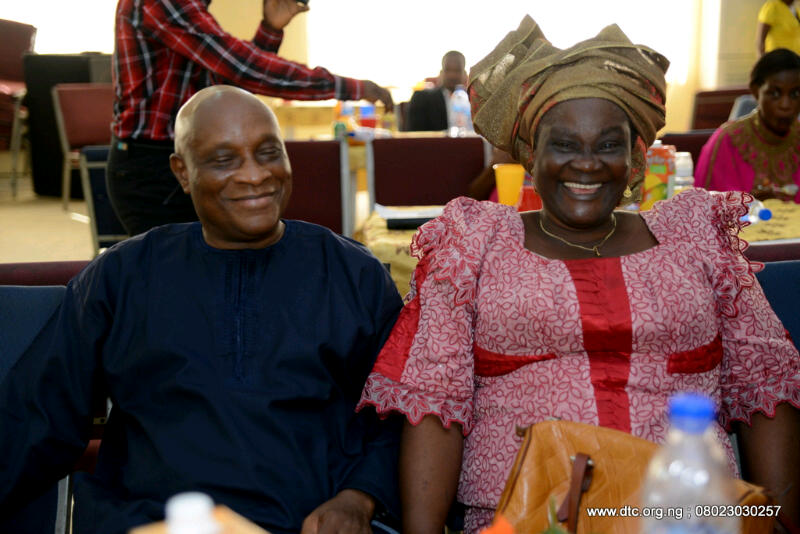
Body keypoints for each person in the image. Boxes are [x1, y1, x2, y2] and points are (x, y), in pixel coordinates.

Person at [357, 16, 800, 534]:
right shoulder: (475, 244)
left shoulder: (697, 237)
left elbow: (764, 389)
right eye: (564, 144)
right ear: (530, 153)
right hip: (524, 518)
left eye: (608, 145)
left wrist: (780, 524)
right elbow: (436, 405)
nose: (586, 165)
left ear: (634, 155)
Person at [0, 86, 403, 534]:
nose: (254, 175)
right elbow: (36, 417)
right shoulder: (121, 277)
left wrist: (359, 498)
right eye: (223, 160)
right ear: (183, 172)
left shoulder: (353, 275)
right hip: (152, 523)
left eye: (268, 152)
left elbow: (397, 416)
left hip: (304, 522)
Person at [109, 0, 394, 237]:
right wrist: (352, 88)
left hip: (181, 159)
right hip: (153, 168)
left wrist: (270, 30)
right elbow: (243, 68)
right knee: (174, 285)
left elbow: (223, 89)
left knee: (210, 276)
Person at [695, 48, 800, 203]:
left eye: (795, 94)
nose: (785, 105)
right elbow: (705, 209)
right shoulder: (727, 140)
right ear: (756, 91)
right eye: (775, 94)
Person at [405, 51, 467, 132]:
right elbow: (415, 136)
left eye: (457, 70)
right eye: (448, 70)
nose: (452, 75)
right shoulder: (422, 99)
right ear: (441, 73)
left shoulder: (474, 101)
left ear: (465, 74)